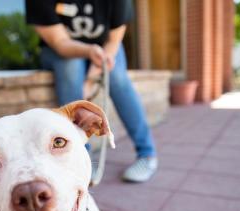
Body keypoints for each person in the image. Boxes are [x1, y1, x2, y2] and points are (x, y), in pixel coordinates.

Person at [26, 0, 158, 182]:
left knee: (118, 78)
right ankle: (82, 158)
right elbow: (60, 42)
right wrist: (88, 51)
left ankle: (147, 154)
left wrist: (89, 80)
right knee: (70, 69)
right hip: (62, 50)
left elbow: (113, 41)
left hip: (105, 47)